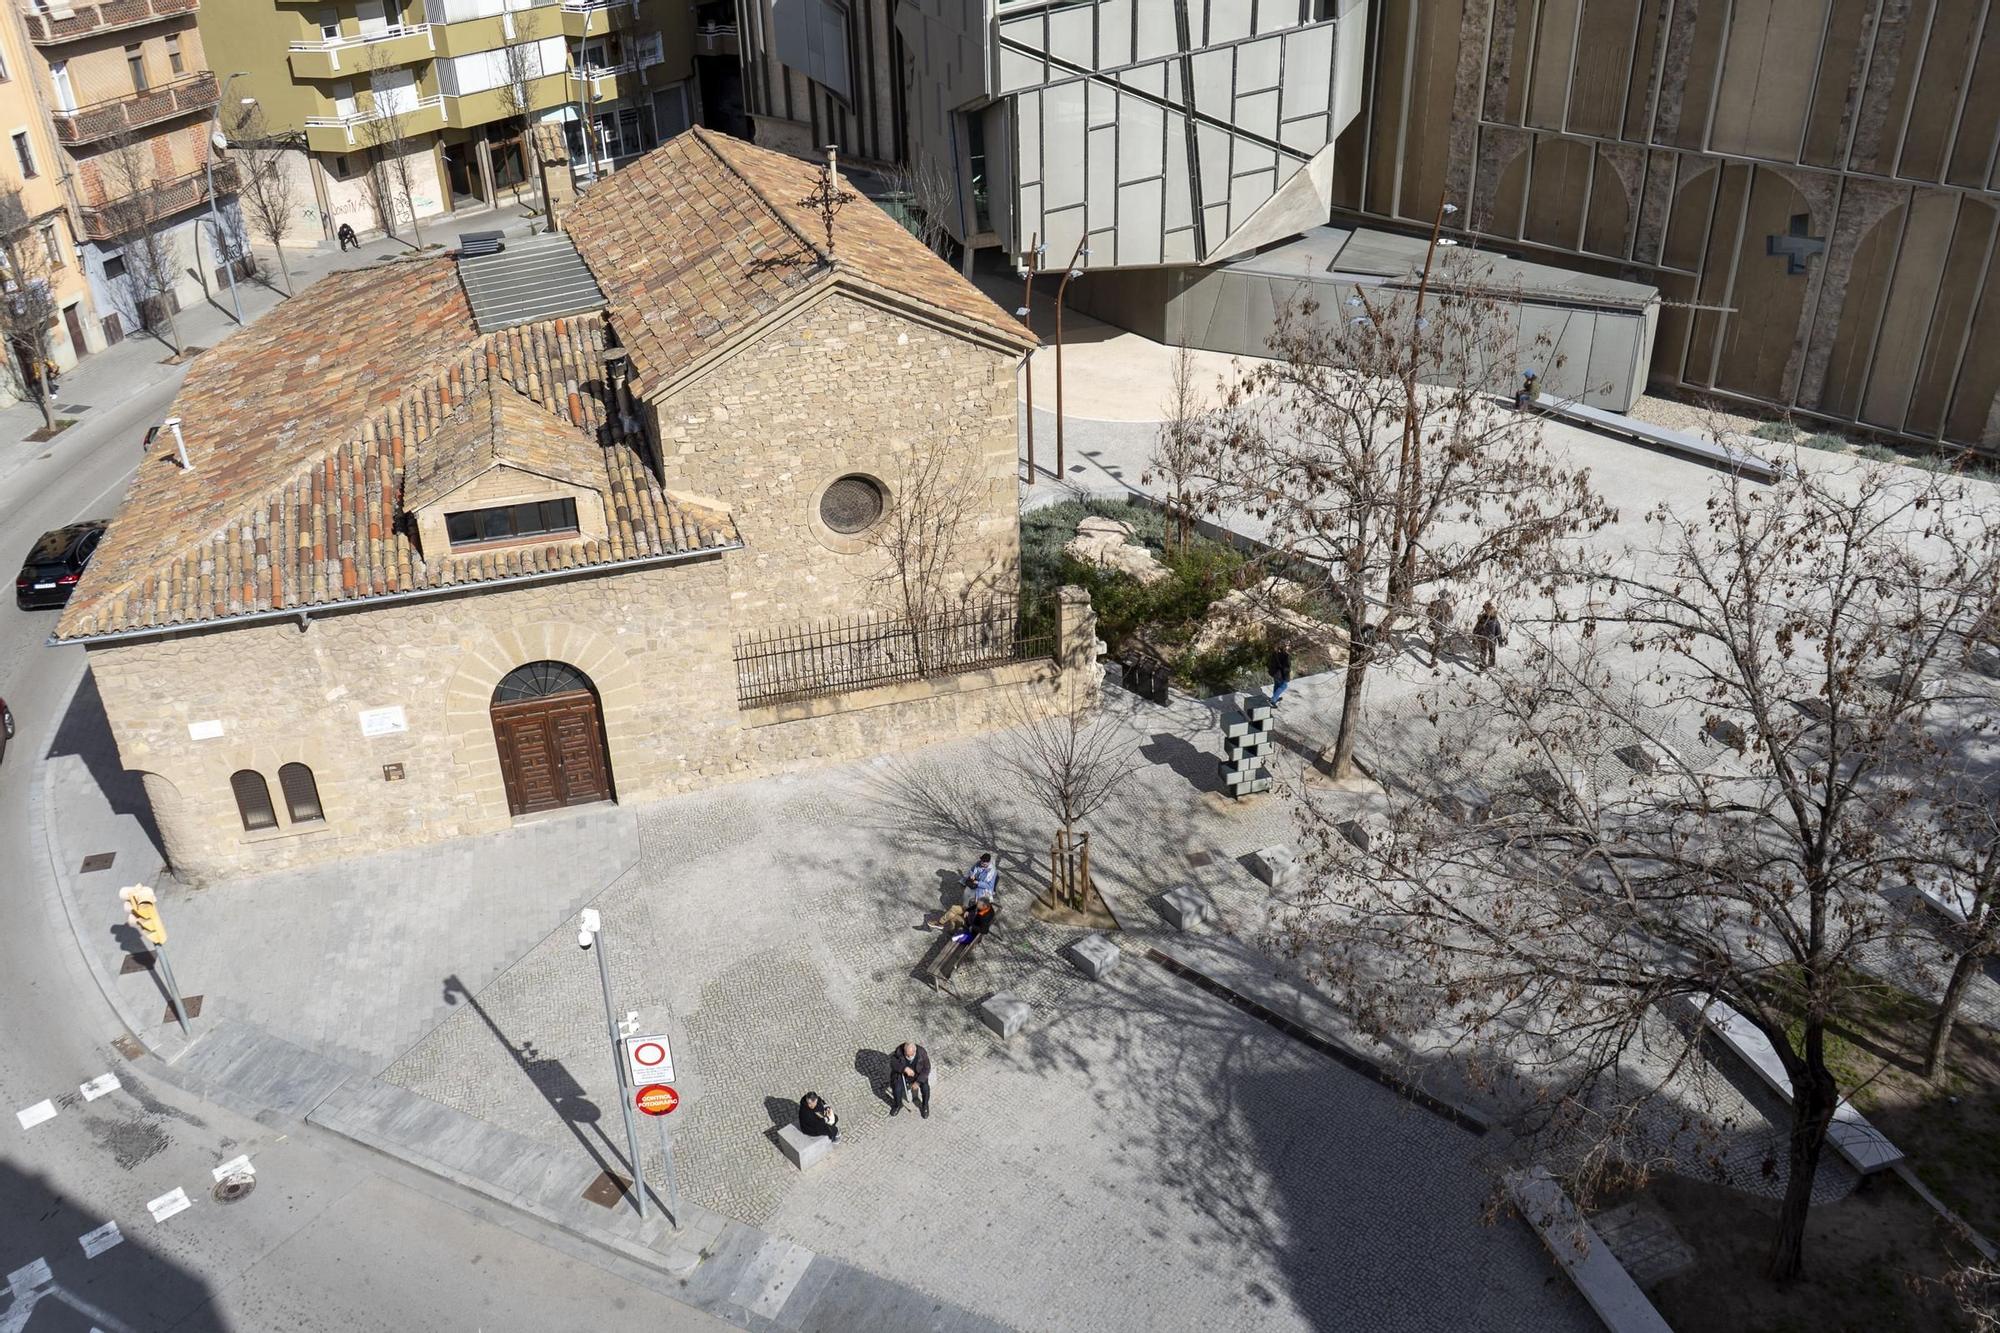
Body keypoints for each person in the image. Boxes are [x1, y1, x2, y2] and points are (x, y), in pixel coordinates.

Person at [936, 896, 997, 985]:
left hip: (970, 924)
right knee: (954, 908)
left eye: (978, 904)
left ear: (984, 906)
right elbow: (974, 907)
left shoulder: (985, 917)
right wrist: (968, 910)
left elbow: (984, 931)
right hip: (970, 915)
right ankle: (940, 923)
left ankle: (952, 930)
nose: (976, 904)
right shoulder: (985, 906)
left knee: (953, 917)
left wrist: (972, 926)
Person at [888, 1040, 932, 1118]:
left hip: (917, 1074)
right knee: (897, 1088)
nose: (908, 1057)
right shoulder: (899, 1051)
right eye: (906, 1055)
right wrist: (904, 1068)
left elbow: (927, 1068)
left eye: (910, 1055)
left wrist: (918, 1082)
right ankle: (897, 1105)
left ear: (915, 1051)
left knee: (925, 1088)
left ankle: (925, 1106)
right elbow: (892, 1062)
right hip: (902, 1075)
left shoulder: (922, 1053)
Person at [1472, 601, 1505, 670]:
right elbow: (1477, 628)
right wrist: (1474, 637)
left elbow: (1498, 631)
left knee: (1492, 651)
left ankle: (1491, 665)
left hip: (1492, 639)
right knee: (1483, 652)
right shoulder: (1482, 618)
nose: (1487, 611)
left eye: (1488, 609)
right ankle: (1482, 666)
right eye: (1486, 609)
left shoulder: (1495, 620)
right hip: (1483, 639)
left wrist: (1500, 642)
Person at [1426, 592, 1455, 666]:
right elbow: (1451, 618)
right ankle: (1433, 659)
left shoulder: (1434, 603)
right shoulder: (1448, 606)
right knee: (1439, 642)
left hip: (1434, 625)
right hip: (1441, 627)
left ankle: (1433, 649)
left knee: (1437, 640)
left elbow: (1427, 612)